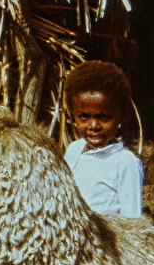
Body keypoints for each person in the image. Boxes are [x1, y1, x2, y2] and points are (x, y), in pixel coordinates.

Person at [62, 60, 145, 218]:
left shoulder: (125, 163)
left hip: (104, 240)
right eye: (84, 117)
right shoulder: (74, 150)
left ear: (120, 116)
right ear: (73, 115)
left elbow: (133, 220)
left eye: (103, 117)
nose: (93, 125)